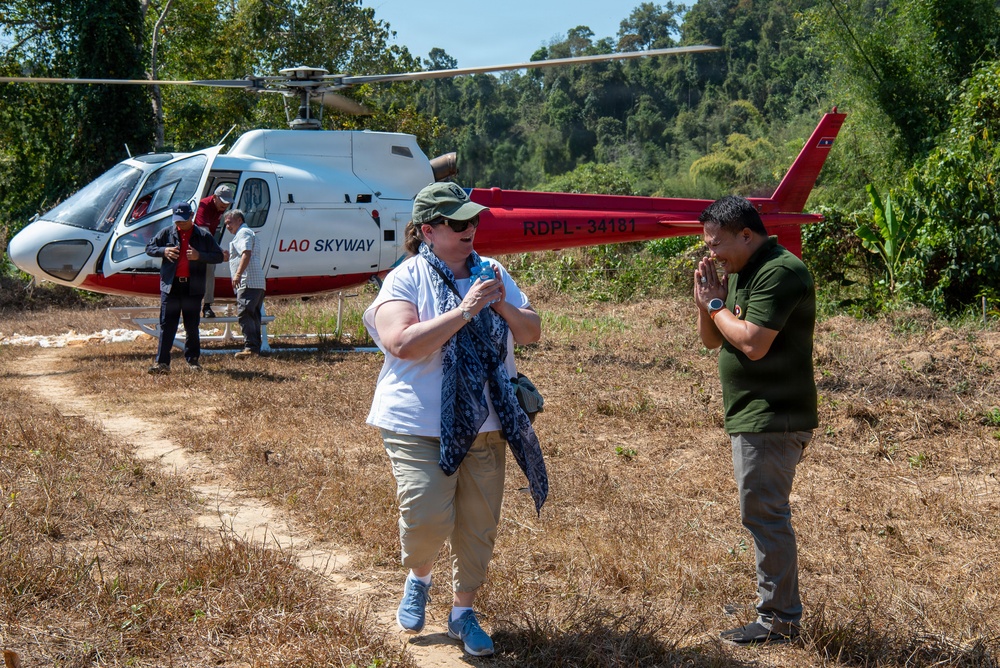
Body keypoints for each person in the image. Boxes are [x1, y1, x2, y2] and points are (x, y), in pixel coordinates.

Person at [363, 181, 548, 657]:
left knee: (478, 524)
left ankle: (463, 612)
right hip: (418, 423)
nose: (471, 229)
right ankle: (419, 575)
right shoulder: (405, 278)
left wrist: (500, 301)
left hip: (488, 422)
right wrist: (465, 311)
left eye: (473, 221)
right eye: (458, 222)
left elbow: (530, 333)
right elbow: (403, 343)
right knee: (425, 515)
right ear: (428, 230)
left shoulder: (493, 271)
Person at [693, 195, 817, 645]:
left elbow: (752, 343)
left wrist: (715, 305)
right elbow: (713, 340)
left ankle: (780, 621)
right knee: (761, 514)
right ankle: (775, 612)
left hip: (773, 417)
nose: (711, 253)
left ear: (747, 234)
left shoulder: (780, 272)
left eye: (716, 243)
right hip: (753, 416)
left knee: (765, 516)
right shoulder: (745, 271)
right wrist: (708, 302)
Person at [145, 201, 225, 374]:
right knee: (167, 325)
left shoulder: (203, 236)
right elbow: (149, 248)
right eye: (176, 219)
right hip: (171, 287)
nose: (179, 223)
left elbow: (218, 256)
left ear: (191, 216)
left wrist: (199, 256)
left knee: (191, 325)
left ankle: (193, 362)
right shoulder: (167, 232)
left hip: (192, 288)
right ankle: (162, 363)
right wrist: (163, 251)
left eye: (182, 219)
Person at [222, 209, 266, 358]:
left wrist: (238, 274)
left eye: (230, 222)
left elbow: (246, 253)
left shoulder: (243, 233)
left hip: (248, 281)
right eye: (225, 224)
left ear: (239, 220)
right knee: (252, 315)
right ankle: (255, 348)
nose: (227, 226)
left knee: (245, 313)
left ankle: (251, 347)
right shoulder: (245, 233)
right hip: (256, 282)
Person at [195, 184, 234, 318]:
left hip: (208, 243)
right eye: (223, 202)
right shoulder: (203, 206)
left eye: (228, 203)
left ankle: (207, 305)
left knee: (210, 268)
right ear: (215, 198)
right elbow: (203, 232)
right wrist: (219, 250)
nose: (225, 206)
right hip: (196, 242)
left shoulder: (220, 208)